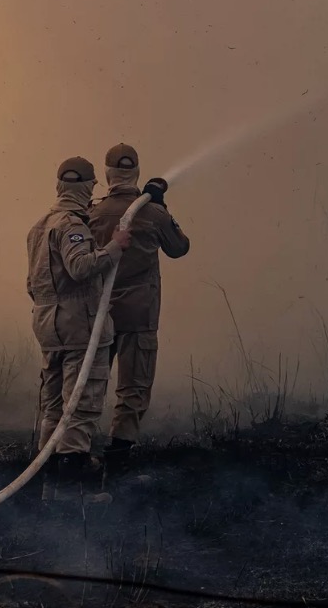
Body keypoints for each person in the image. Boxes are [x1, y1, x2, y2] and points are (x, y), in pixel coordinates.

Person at [26, 156, 131, 502]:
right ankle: (72, 498)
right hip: (80, 330)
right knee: (81, 405)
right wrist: (115, 247)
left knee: (53, 407)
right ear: (87, 188)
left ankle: (50, 490)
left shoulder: (39, 226)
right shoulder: (72, 225)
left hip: (49, 330)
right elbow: (81, 267)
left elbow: (33, 283)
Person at [88, 143, 190, 474]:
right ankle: (117, 461)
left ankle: (74, 452)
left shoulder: (91, 213)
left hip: (99, 316)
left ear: (106, 174)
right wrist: (160, 206)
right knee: (134, 386)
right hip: (140, 315)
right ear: (137, 173)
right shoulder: (153, 214)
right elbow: (180, 248)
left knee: (89, 382)